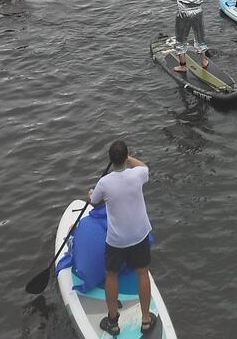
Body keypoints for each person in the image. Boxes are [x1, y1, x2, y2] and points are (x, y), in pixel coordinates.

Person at [87, 140, 158, 338]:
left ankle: (112, 321)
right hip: (139, 235)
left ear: (111, 160)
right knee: (142, 273)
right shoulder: (138, 174)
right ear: (126, 158)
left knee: (111, 275)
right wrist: (128, 158)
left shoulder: (104, 183)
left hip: (117, 241)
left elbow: (93, 201)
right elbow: (143, 166)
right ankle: (146, 319)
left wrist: (90, 194)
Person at [172, 0, 208, 71]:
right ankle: (203, 61)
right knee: (199, 37)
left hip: (183, 12)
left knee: (181, 38)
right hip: (197, 12)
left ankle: (182, 66)